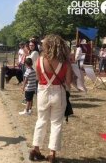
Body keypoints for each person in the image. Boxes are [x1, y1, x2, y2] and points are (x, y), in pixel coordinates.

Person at [29, 34, 71, 163]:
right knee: (56, 123)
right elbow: (68, 83)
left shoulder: (39, 60)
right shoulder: (65, 62)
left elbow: (37, 78)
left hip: (43, 91)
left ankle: (36, 148)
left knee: (41, 120)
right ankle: (52, 153)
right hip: (58, 92)